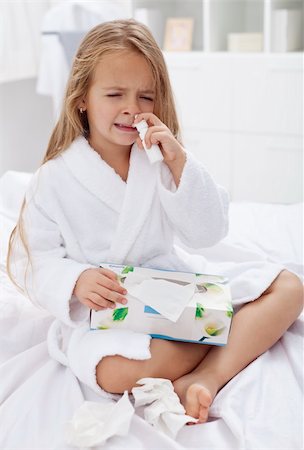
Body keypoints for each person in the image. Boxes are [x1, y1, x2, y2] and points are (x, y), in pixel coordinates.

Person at [7, 19, 303, 425]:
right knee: (114, 372)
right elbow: (34, 261)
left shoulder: (160, 160)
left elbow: (208, 232)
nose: (132, 109)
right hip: (108, 315)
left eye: (146, 96)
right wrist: (75, 280)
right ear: (82, 99)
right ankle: (228, 341)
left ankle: (207, 376)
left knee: (289, 287)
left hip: (175, 293)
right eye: (114, 94)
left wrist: (180, 163)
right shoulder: (53, 179)